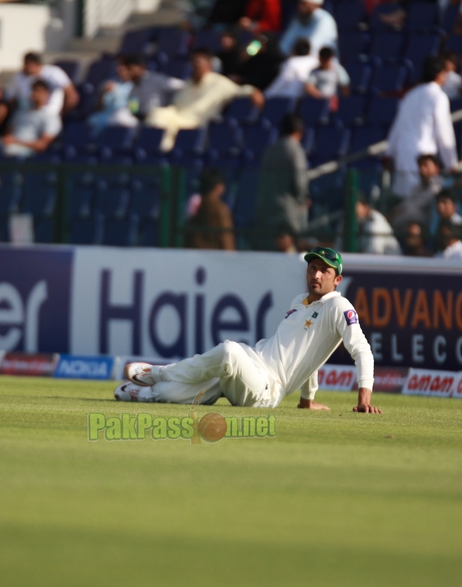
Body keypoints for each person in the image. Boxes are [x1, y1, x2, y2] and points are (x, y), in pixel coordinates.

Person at [115, 247, 380, 413]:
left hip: (266, 390)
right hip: (252, 367)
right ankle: (146, 394)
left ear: (337, 280)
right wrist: (307, 400)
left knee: (229, 351)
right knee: (202, 386)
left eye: (325, 271)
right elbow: (305, 353)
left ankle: (158, 372)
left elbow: (363, 351)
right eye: (313, 268)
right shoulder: (299, 301)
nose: (317, 275)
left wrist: (364, 397)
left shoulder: (339, 305)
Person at [146, 48, 264, 151]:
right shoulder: (189, 83)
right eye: (192, 62)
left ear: (208, 64)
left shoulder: (219, 82)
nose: (194, 65)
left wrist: (253, 91)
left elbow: (240, 90)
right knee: (157, 114)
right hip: (177, 119)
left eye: (198, 62)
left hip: (198, 124)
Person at [385, 57, 458, 198]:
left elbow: (397, 126)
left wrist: (390, 153)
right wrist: (451, 163)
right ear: (440, 74)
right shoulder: (439, 97)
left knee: (405, 198)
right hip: (423, 157)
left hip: (403, 152)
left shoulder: (410, 95)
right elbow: (444, 133)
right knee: (420, 199)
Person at [254, 114, 309, 250]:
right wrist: (302, 199)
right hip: (286, 217)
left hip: (265, 213)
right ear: (300, 131)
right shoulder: (295, 150)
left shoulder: (270, 150)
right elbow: (299, 182)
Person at [0, 80, 62, 158]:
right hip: (6, 144)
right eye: (33, 90)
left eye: (37, 90)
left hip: (26, 149)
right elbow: (8, 132)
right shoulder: (21, 112)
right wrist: (7, 140)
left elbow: (42, 145)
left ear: (46, 94)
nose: (34, 93)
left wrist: (16, 141)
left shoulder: (51, 116)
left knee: (8, 151)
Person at [6, 52, 78, 115]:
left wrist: (62, 115)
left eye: (27, 64)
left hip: (49, 115)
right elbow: (11, 98)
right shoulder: (20, 76)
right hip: (27, 115)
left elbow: (72, 96)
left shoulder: (54, 73)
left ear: (36, 64)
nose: (24, 67)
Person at [389, 154, 443, 235]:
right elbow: (405, 203)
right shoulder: (417, 186)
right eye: (420, 165)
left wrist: (394, 215)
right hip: (412, 223)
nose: (422, 169)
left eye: (426, 165)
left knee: (409, 210)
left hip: (432, 225)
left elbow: (416, 205)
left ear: (436, 168)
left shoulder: (441, 184)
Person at [123, 54, 185, 122]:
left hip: (161, 118)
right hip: (144, 122)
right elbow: (133, 111)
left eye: (130, 68)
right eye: (127, 69)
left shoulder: (155, 79)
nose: (128, 72)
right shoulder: (132, 91)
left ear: (141, 68)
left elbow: (180, 85)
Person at [186, 169, 236, 251]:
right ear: (218, 187)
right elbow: (226, 239)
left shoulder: (196, 207)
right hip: (217, 259)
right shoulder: (221, 209)